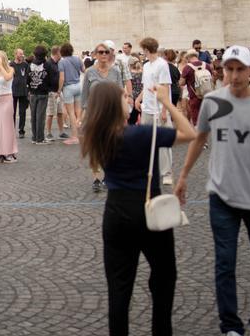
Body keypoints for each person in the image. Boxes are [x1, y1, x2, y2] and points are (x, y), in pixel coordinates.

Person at [175, 45, 250, 336]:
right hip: (221, 196)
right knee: (224, 263)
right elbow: (198, 139)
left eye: (239, 69)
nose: (234, 75)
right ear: (223, 71)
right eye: (229, 69)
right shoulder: (212, 102)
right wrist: (182, 176)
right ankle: (230, 326)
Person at [81, 80, 196, 336]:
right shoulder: (142, 133)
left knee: (119, 287)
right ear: (114, 105)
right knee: (165, 276)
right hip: (148, 209)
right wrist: (167, 102)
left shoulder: (97, 136)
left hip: (116, 213)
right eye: (124, 97)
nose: (129, 100)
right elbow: (189, 133)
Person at [81, 43, 124, 191]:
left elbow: (120, 92)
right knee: (96, 147)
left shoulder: (116, 71)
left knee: (111, 146)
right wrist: (83, 114)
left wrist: (122, 113)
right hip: (95, 113)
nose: (104, 55)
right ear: (95, 55)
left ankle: (108, 176)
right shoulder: (89, 72)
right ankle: (96, 178)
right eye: (101, 52)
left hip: (112, 113)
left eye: (106, 52)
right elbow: (84, 95)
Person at [136, 37, 174, 186]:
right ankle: (148, 170)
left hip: (159, 109)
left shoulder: (162, 65)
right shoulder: (146, 66)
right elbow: (146, 86)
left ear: (146, 49)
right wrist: (138, 99)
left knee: (164, 142)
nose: (142, 52)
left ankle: (167, 173)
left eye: (143, 50)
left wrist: (165, 110)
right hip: (147, 109)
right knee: (146, 142)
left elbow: (166, 87)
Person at [0, 51, 17, 163]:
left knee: (6, 127)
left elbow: (7, 78)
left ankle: (8, 152)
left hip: (7, 100)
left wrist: (1, 65)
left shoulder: (10, 69)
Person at [179, 48, 213, 125]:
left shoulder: (187, 67)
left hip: (195, 97)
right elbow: (211, 78)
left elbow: (182, 83)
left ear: (188, 58)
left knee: (197, 121)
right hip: (207, 95)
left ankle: (199, 135)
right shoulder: (206, 65)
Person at [60, 42, 84, 145]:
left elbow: (62, 78)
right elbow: (84, 70)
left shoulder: (62, 62)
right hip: (78, 85)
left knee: (70, 112)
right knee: (78, 111)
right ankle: (80, 131)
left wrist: (58, 89)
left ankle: (74, 136)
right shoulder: (77, 59)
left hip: (68, 87)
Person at [27, 45, 51, 145]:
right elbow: (51, 78)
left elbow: (27, 79)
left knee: (33, 116)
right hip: (43, 92)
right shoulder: (47, 65)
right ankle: (40, 138)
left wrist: (29, 88)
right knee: (40, 116)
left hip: (32, 92)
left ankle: (34, 137)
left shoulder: (30, 65)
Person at [45, 45, 64, 142]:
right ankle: (48, 132)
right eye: (61, 52)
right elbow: (46, 78)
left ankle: (61, 132)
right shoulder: (48, 63)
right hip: (51, 92)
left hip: (58, 91)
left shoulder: (59, 63)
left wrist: (59, 90)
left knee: (60, 112)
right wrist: (49, 91)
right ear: (57, 53)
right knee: (50, 113)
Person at [10, 48, 30, 138]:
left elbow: (28, 77)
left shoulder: (25, 65)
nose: (21, 55)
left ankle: (21, 130)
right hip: (13, 91)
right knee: (12, 111)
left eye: (22, 54)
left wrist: (28, 89)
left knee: (22, 112)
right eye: (20, 54)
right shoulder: (11, 65)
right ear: (15, 54)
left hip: (23, 91)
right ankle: (11, 129)